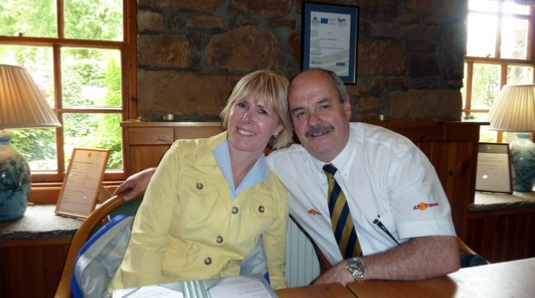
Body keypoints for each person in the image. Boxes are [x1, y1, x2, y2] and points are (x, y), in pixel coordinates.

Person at [114, 68, 460, 286]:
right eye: (301, 112)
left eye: (323, 106)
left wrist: (349, 269)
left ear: (347, 108)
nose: (313, 121)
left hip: (426, 283)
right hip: (164, 287)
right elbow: (222, 160)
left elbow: (442, 255)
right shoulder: (283, 166)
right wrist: (160, 171)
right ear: (292, 124)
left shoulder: (395, 156)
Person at [107, 70, 294, 292]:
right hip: (156, 285)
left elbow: (275, 270)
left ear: (278, 127)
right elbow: (146, 238)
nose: (247, 118)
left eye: (262, 111)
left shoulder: (275, 194)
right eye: (242, 105)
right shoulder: (182, 156)